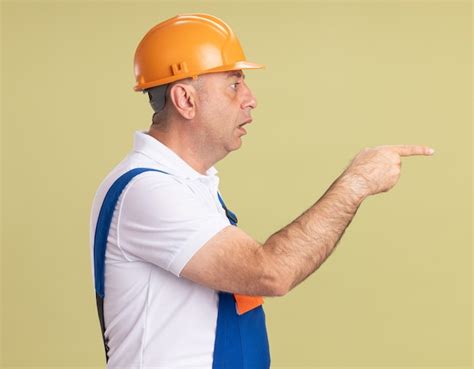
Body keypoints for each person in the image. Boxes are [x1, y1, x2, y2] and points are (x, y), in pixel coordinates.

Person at [89, 13, 435, 369]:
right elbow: (270, 272)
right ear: (185, 100)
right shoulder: (148, 190)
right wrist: (356, 183)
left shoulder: (187, 185)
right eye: (234, 84)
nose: (251, 99)